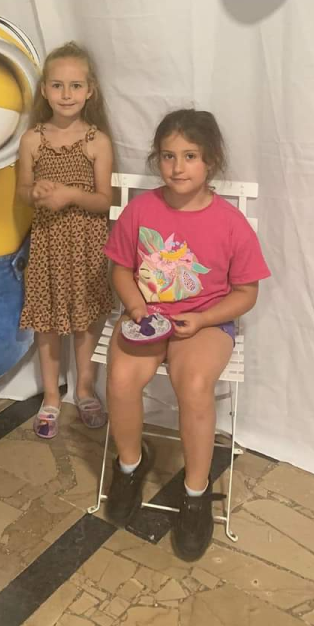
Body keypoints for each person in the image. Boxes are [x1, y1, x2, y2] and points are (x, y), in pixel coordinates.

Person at [104, 109, 270, 560]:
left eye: (190, 156)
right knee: (120, 378)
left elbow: (247, 292)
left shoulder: (229, 223)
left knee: (194, 384)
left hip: (205, 320)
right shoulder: (141, 210)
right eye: (168, 156)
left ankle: (195, 494)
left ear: (210, 160)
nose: (178, 167)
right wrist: (135, 306)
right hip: (147, 315)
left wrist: (203, 319)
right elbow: (120, 269)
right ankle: (130, 465)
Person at [17, 42, 114, 439]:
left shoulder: (97, 141)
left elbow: (104, 201)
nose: (67, 94)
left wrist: (71, 195)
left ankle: (85, 391)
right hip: (47, 245)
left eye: (75, 86)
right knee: (47, 322)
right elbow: (22, 191)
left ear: (90, 90)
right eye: (57, 85)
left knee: (85, 322)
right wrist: (36, 192)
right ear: (45, 90)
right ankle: (51, 397)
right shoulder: (32, 139)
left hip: (86, 247)